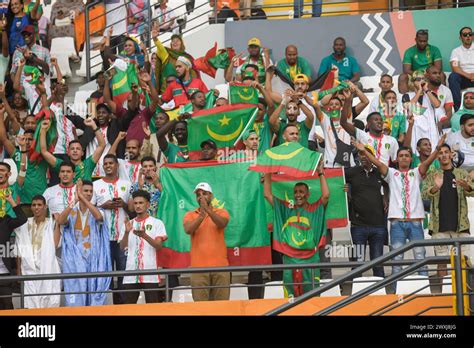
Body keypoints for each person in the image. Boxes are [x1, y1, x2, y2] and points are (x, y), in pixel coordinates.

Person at [354, 133, 447, 277]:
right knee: (397, 260)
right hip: (397, 223)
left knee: (420, 258)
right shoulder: (391, 173)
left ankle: (423, 297)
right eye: (401, 155)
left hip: (415, 222)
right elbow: (377, 163)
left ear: (411, 159)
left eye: (407, 155)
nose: (404, 157)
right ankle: (396, 293)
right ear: (396, 159)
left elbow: (427, 163)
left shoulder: (416, 173)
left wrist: (437, 149)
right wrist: (364, 151)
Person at [263, 160, 329, 297]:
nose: (298, 194)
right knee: (291, 297)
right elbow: (267, 195)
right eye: (296, 192)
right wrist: (268, 172)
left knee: (312, 296)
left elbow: (326, 196)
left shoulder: (315, 209)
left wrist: (321, 172)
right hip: (290, 259)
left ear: (308, 195)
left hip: (311, 258)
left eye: (301, 192)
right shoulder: (287, 208)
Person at [57, 179, 111, 306]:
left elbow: (98, 217)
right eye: (85, 191)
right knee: (76, 293)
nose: (88, 193)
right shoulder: (72, 210)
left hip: (94, 259)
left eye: (90, 191)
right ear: (79, 191)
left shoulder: (97, 210)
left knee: (93, 292)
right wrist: (75, 200)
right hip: (75, 260)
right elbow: (60, 220)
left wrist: (82, 198)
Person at [422, 143, 473, 277]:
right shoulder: (433, 174)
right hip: (439, 225)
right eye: (440, 153)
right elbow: (424, 194)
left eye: (446, 152)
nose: (443, 155)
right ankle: (443, 295)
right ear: (437, 156)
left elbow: (472, 191)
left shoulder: (461, 173)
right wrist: (435, 187)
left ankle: (466, 293)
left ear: (451, 154)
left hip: (460, 225)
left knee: (464, 260)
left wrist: (467, 186)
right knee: (442, 261)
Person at [93, 154, 132, 304]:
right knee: (106, 272)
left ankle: (123, 306)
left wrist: (124, 204)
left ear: (117, 165)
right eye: (105, 163)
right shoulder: (96, 185)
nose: (108, 166)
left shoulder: (126, 184)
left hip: (122, 236)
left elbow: (133, 210)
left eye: (111, 163)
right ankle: (107, 305)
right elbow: (90, 209)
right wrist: (103, 206)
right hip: (103, 236)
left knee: (123, 271)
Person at [345, 146, 388, 278]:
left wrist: (386, 198)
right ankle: (357, 297)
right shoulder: (352, 172)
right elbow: (337, 181)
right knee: (358, 264)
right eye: (360, 155)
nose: (363, 157)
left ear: (372, 157)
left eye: (366, 154)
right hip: (358, 225)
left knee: (378, 264)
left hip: (378, 225)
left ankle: (381, 294)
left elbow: (390, 184)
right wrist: (346, 194)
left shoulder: (379, 172)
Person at [183, 182, 230, 301]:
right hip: (198, 269)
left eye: (204, 194)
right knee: (201, 308)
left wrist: (208, 211)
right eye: (198, 195)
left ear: (211, 196)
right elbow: (188, 229)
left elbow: (222, 223)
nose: (201, 197)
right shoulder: (190, 215)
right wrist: (201, 216)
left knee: (222, 307)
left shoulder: (221, 212)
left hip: (220, 268)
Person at [14, 195, 61, 309]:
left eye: (39, 205)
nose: (36, 208)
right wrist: (19, 271)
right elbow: (19, 249)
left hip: (48, 268)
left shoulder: (51, 223)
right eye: (34, 205)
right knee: (31, 303)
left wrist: (58, 223)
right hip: (29, 269)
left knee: (50, 302)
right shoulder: (25, 224)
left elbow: (55, 244)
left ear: (45, 207)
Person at [121, 190, 167, 304]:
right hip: (131, 273)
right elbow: (122, 247)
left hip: (150, 273)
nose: (138, 206)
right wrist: (127, 232)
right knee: (129, 309)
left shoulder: (157, 223)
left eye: (141, 203)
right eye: (135, 203)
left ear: (147, 204)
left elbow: (159, 246)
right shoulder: (128, 224)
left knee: (152, 309)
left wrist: (144, 236)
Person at [66, 103, 135, 178]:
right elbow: (74, 118)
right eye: (98, 113)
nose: (100, 115)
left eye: (104, 112)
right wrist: (60, 105)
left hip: (108, 172)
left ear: (110, 116)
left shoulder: (116, 127)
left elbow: (128, 117)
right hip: (89, 172)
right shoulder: (90, 126)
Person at [40, 118, 106, 183]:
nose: (75, 151)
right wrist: (43, 130)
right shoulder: (62, 166)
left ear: (82, 153)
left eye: (78, 149)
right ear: (68, 152)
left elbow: (102, 145)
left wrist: (94, 125)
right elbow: (44, 152)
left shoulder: (88, 164)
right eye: (72, 149)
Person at [340, 94, 399, 166]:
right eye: (376, 120)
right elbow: (343, 123)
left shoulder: (392, 140)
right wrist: (347, 100)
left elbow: (396, 162)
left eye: (381, 120)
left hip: (383, 175)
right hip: (367, 174)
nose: (379, 121)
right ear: (368, 124)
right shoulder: (362, 135)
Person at [0, 187, 27, 310]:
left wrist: (11, 201)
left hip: (4, 274)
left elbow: (23, 219)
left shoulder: (5, 221)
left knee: (7, 306)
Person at [404, 74, 441, 154]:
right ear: (413, 82)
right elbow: (409, 107)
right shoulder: (407, 96)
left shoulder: (431, 94)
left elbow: (437, 104)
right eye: (418, 79)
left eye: (423, 79)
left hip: (430, 129)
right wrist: (419, 91)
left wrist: (426, 90)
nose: (421, 81)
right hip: (415, 129)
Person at [398, 29, 443, 94]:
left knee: (441, 75)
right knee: (403, 77)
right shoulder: (409, 51)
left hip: (430, 76)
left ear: (427, 40)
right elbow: (406, 70)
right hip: (415, 76)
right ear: (416, 40)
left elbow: (438, 68)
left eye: (425, 41)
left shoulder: (434, 50)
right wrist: (419, 75)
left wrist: (427, 75)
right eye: (420, 41)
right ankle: (405, 101)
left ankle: (441, 99)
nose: (422, 43)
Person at [449, 27, 474, 112]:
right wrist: (469, 75)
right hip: (464, 78)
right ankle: (458, 109)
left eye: (470, 34)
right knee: (453, 77)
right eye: (465, 34)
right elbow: (455, 67)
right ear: (460, 37)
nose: (468, 36)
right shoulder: (456, 51)